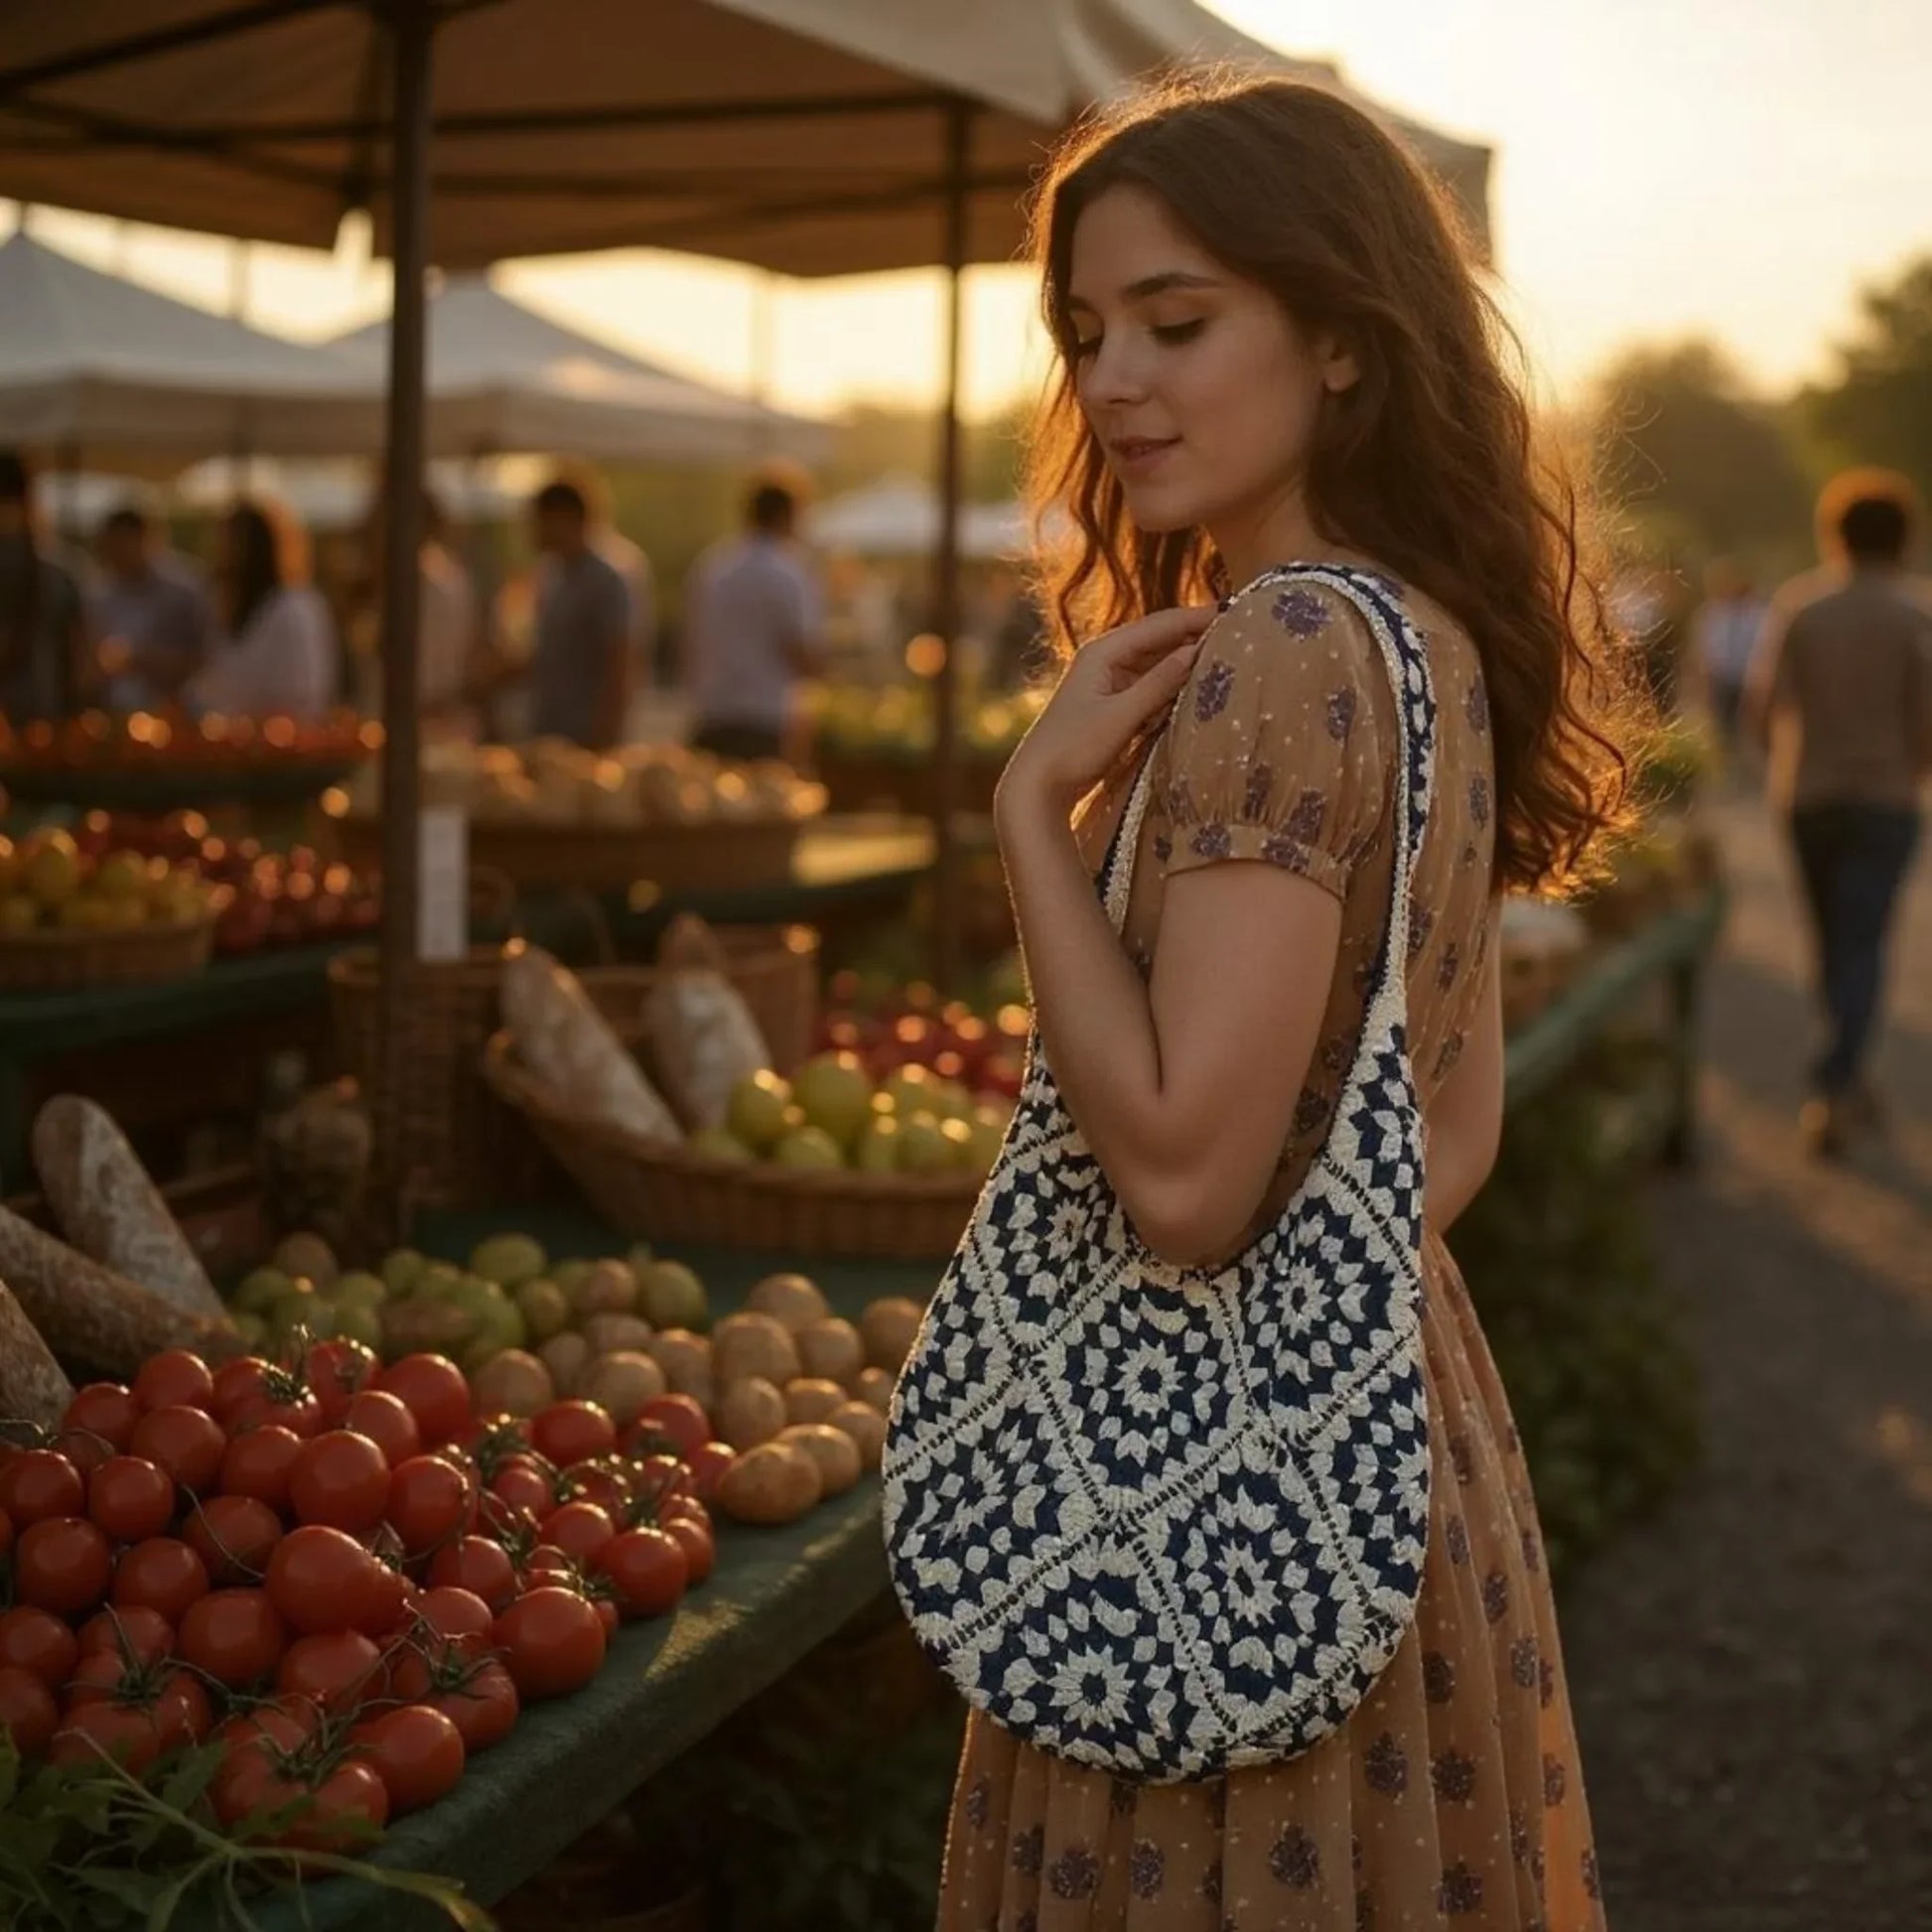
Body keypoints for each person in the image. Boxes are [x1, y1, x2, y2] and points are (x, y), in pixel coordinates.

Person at [930, 76, 1637, 1930]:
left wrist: (1028, 815)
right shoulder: (1427, 637)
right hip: (1388, 1477)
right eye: (1086, 334)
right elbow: (1454, 1123)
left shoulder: (1287, 648)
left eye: (1177, 322)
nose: (1110, 383)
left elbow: (1177, 1183)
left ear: (1338, 339)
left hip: (1206, 1544)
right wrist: (1311, 1337)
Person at [1747, 469, 1932, 1155]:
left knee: (1832, 942)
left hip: (1809, 795)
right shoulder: (1916, 615)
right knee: (1863, 941)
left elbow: (1763, 709)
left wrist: (1779, 764)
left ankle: (1845, 1075)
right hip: (1885, 799)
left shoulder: (1803, 606)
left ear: (1836, 534)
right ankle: (1838, 1081)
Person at [683, 474, 825, 762]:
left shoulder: (713, 566)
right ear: (788, 516)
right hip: (763, 720)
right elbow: (801, 652)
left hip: (711, 714)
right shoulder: (788, 572)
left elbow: (690, 642)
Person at [191, 498, 340, 723]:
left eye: (231, 543)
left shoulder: (295, 608)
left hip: (284, 745)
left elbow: (304, 693)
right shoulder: (226, 608)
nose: (220, 554)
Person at [526, 478, 631, 750]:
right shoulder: (553, 579)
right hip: (551, 734)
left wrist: (605, 737)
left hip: (584, 738)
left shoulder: (604, 582)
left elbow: (620, 662)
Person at [89, 501, 213, 712]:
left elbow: (204, 659)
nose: (116, 554)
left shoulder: (183, 590)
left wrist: (139, 661)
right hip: (121, 712)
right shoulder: (103, 593)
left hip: (176, 715)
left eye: (122, 544)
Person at [0, 451, 86, 724]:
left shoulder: (57, 574)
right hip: (42, 719)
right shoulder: (60, 572)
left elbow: (78, 659)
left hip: (38, 717)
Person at [1689, 555, 1766, 751]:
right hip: (1721, 681)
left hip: (1747, 680)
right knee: (1724, 730)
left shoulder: (1755, 613)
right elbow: (1705, 652)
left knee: (1748, 729)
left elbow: (1763, 647)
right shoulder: (1711, 615)